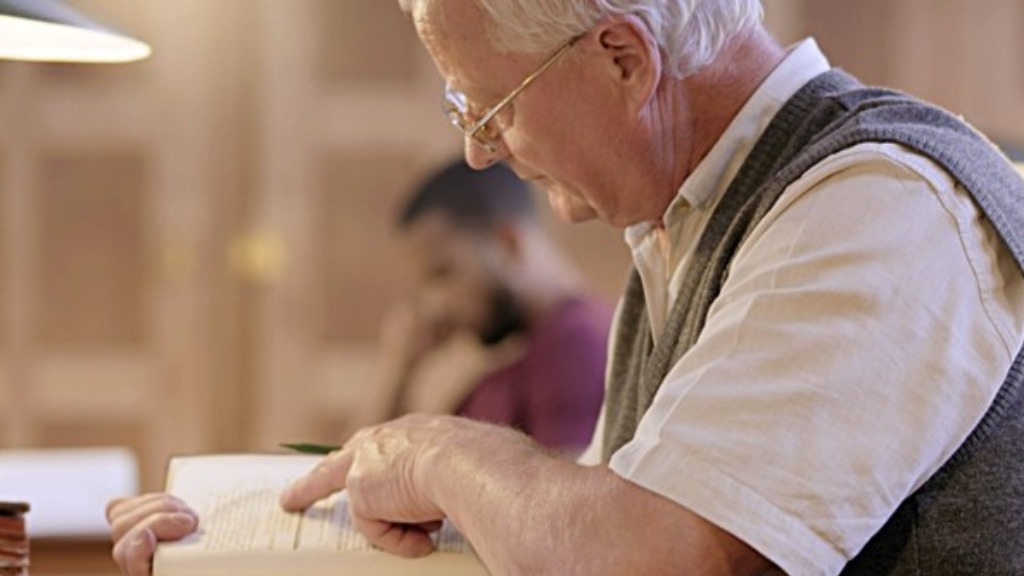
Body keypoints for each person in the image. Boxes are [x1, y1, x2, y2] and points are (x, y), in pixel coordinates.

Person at [106, 1, 1024, 574]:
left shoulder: (879, 204)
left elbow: (658, 563)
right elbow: (568, 541)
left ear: (624, 57)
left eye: (491, 108)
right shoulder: (680, 230)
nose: (480, 151)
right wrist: (240, 550)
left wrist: (438, 455)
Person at [370, 158, 609, 452]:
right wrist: (401, 367)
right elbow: (361, 470)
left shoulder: (574, 346)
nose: (435, 303)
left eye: (443, 273)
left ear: (508, 243)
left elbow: (566, 480)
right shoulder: (511, 362)